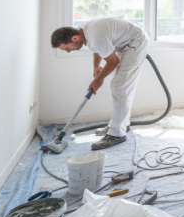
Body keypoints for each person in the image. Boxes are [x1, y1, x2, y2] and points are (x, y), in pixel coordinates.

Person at [51, 18, 150, 150]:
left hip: (135, 43)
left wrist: (97, 80)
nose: (68, 51)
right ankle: (122, 124)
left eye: (67, 48)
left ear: (74, 38)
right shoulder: (83, 32)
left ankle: (116, 134)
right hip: (126, 43)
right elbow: (97, 48)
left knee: (120, 86)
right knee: (120, 86)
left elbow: (112, 62)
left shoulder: (95, 35)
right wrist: (96, 67)